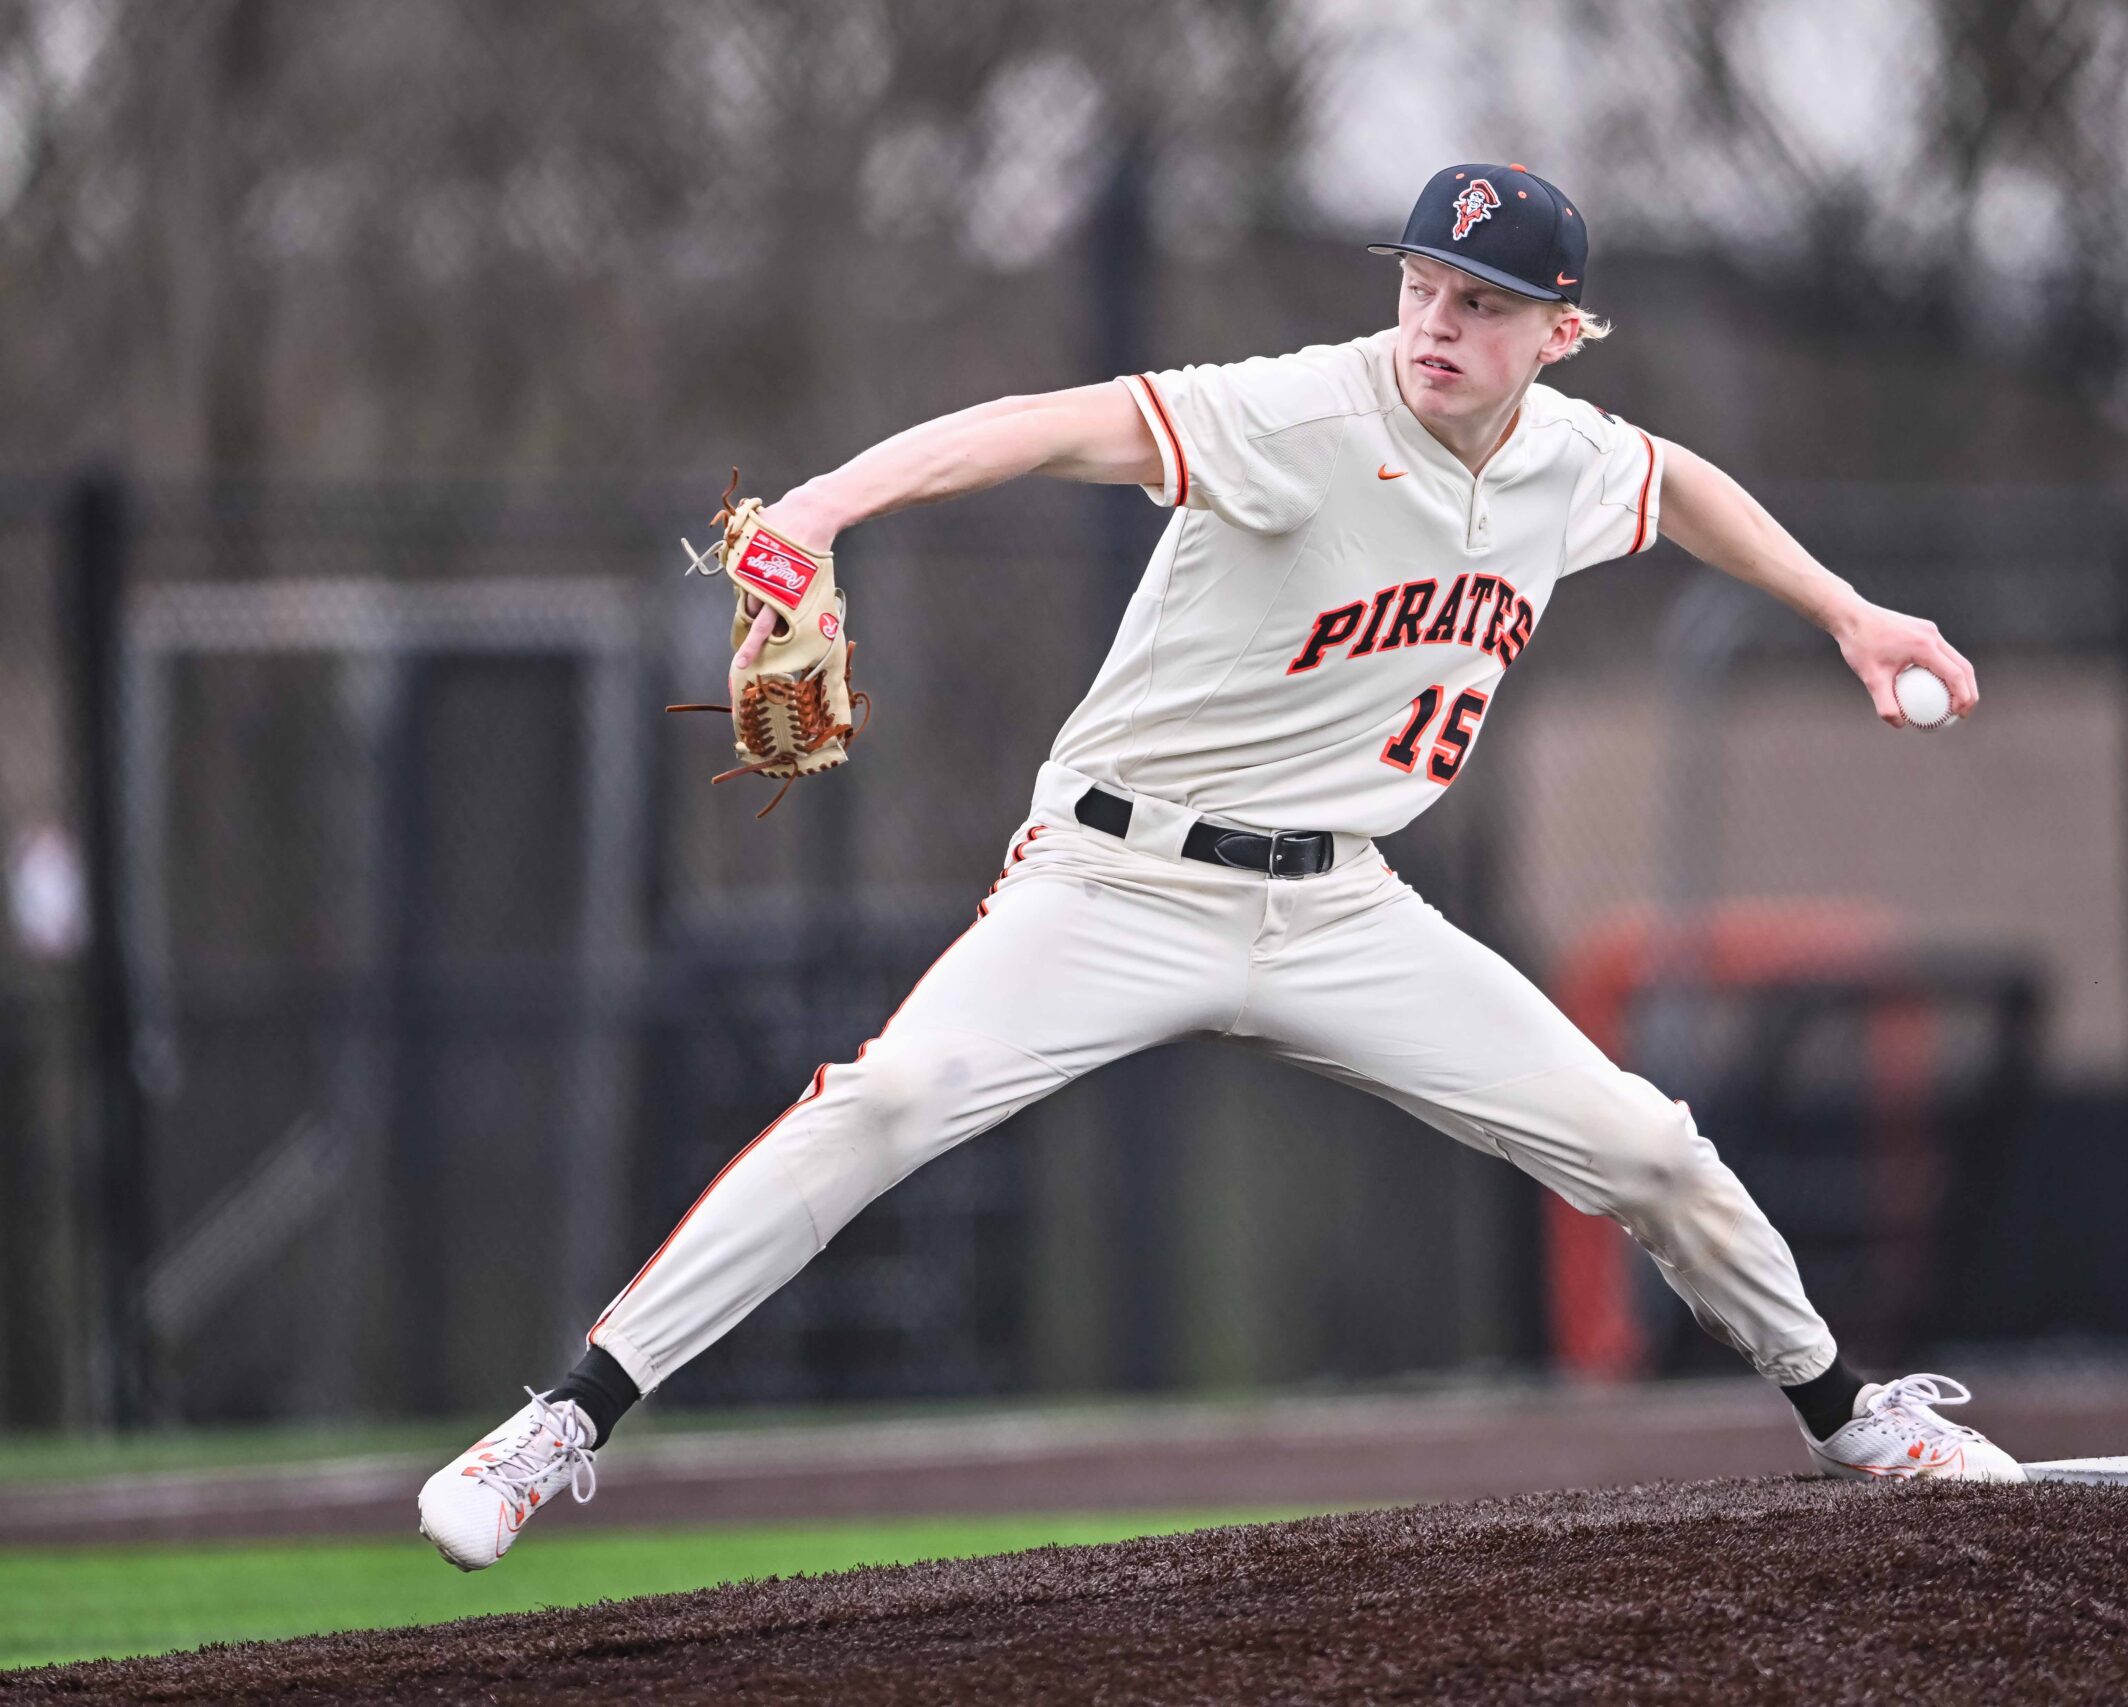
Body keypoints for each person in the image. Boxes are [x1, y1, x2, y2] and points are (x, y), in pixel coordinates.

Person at [419, 162, 2017, 1572]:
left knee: (1650, 1149)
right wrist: (830, 503)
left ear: (1562, 332)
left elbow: (1682, 489)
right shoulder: (1300, 414)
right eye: (1422, 283)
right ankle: (559, 1424)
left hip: (1341, 906)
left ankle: (1849, 1413)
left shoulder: (1568, 459)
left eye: (1483, 300)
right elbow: (1049, 427)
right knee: (888, 1103)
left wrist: (1847, 613)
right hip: (1116, 880)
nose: (1437, 321)